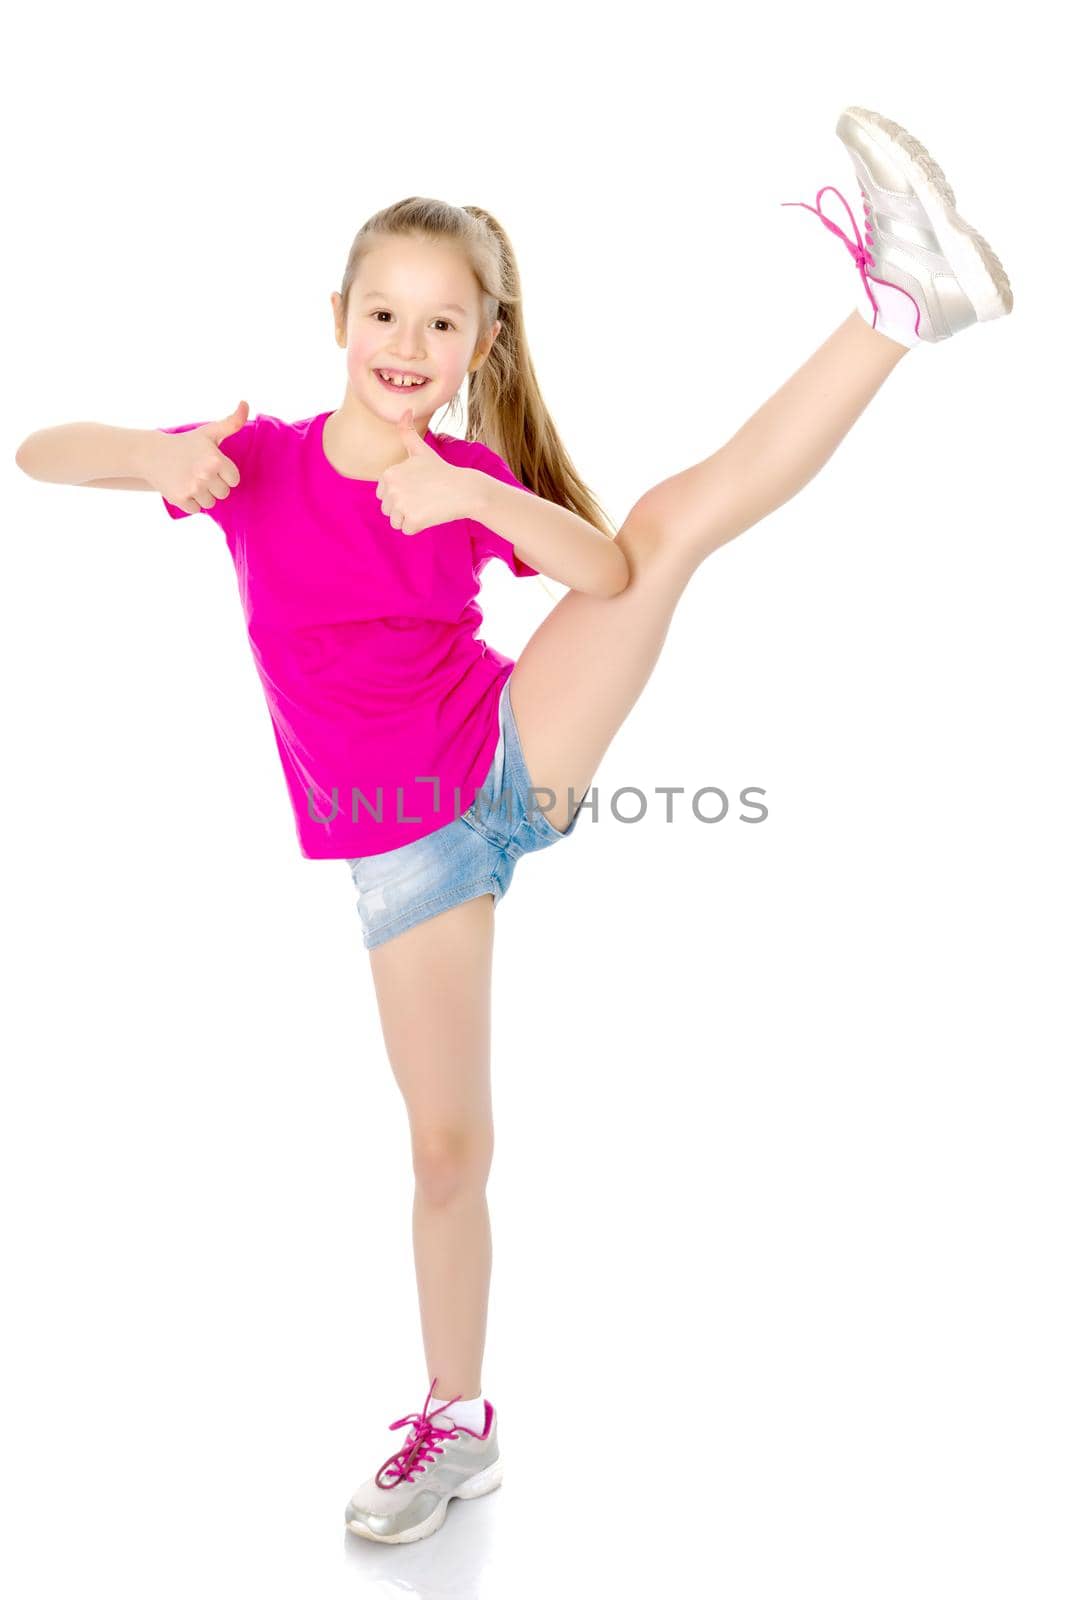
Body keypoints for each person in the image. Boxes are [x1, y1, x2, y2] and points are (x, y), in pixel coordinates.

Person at [14, 103, 1013, 1546]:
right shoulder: (262, 464)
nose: (407, 346)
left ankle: (901, 308)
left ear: (479, 348)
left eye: (441, 326)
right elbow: (40, 453)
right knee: (446, 1152)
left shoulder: (461, 478)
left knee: (672, 534)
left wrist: (467, 498)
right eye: (384, 314)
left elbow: (605, 566)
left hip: (501, 758)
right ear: (338, 317)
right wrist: (150, 456)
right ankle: (462, 1426)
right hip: (401, 852)